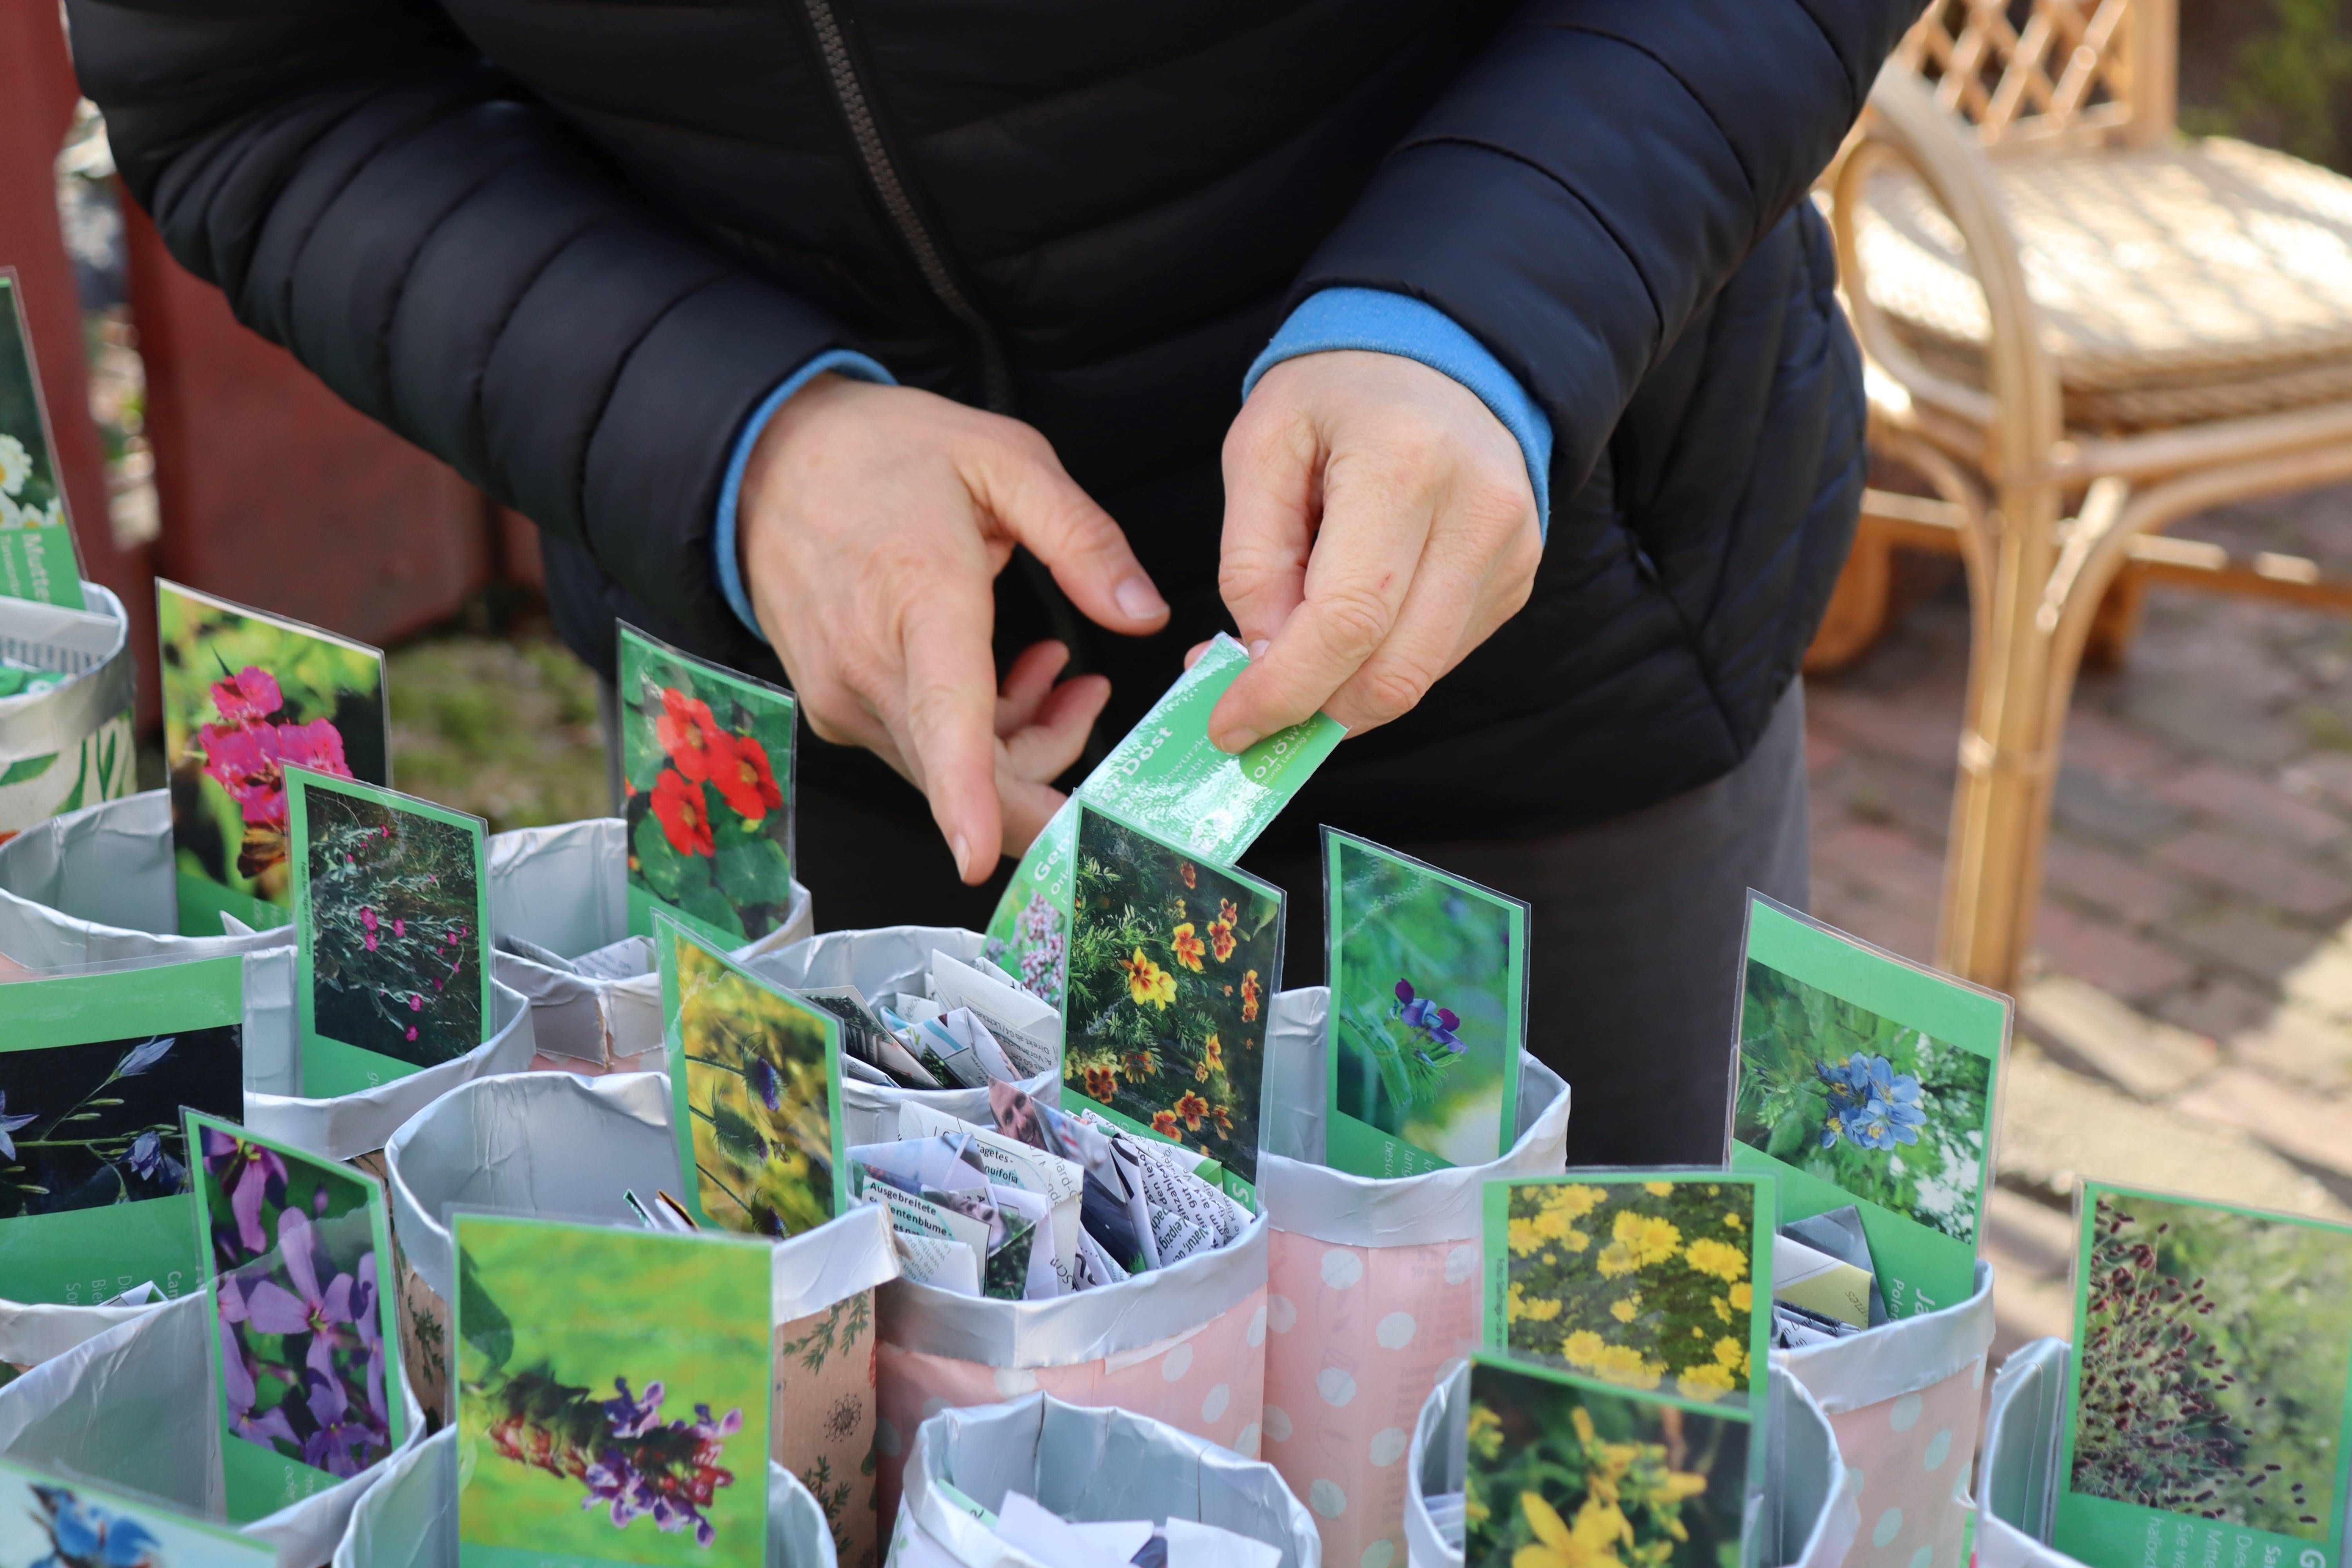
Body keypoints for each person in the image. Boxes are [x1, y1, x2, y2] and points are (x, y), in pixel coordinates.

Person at [71, 0, 1917, 1162]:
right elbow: (257, 85)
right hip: (840, 734)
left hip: (1547, 662)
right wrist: (740, 443)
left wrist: (1499, 300)